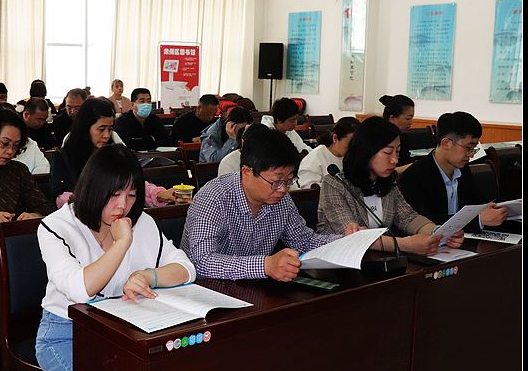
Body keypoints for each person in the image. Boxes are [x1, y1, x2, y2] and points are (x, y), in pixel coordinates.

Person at [36, 144, 196, 371]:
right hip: (67, 334)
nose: (123, 206)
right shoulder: (56, 226)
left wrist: (148, 276)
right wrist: (122, 243)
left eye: (131, 195)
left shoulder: (142, 221)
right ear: (93, 189)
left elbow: (186, 268)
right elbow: (81, 290)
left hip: (126, 330)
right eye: (114, 194)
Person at [182, 124, 342, 281]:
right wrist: (265, 265)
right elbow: (202, 262)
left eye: (289, 180)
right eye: (277, 181)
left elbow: (304, 241)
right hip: (205, 289)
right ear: (247, 172)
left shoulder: (281, 199)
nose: (283, 189)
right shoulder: (213, 198)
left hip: (254, 287)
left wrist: (348, 242)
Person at [317, 116, 464, 256]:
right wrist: (405, 244)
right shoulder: (335, 183)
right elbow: (352, 234)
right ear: (366, 151)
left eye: (397, 152)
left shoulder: (386, 181)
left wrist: (438, 232)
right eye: (387, 152)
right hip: (339, 260)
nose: (394, 160)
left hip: (379, 259)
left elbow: (408, 217)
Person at [51, 98, 175, 208]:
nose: (106, 135)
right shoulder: (64, 157)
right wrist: (97, 202)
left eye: (110, 129)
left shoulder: (113, 153)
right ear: (85, 127)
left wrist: (158, 195)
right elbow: (61, 199)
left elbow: (132, 184)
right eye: (101, 129)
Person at [399, 111, 507, 232]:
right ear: (446, 143)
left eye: (474, 148)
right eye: (468, 148)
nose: (471, 154)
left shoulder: (463, 170)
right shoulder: (415, 175)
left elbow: (477, 202)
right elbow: (423, 221)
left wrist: (491, 209)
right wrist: (478, 220)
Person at [297, 117, 359, 189]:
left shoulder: (356, 155)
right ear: (335, 138)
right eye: (349, 144)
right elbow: (309, 190)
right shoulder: (314, 159)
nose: (353, 149)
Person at [380, 94, 415, 167]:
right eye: (408, 119)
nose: (411, 122)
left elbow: (405, 160)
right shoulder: (379, 139)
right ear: (392, 118)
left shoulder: (403, 137)